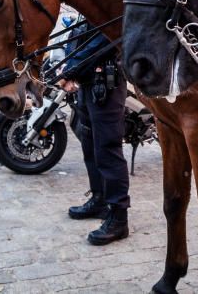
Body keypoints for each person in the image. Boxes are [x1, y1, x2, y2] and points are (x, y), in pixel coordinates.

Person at [57, 18, 131, 245]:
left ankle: (119, 217)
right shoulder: (87, 1)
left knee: (107, 148)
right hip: (88, 82)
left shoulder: (110, 0)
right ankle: (99, 199)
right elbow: (78, 35)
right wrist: (69, 68)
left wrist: (70, 71)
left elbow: (103, 41)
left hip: (105, 83)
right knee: (89, 145)